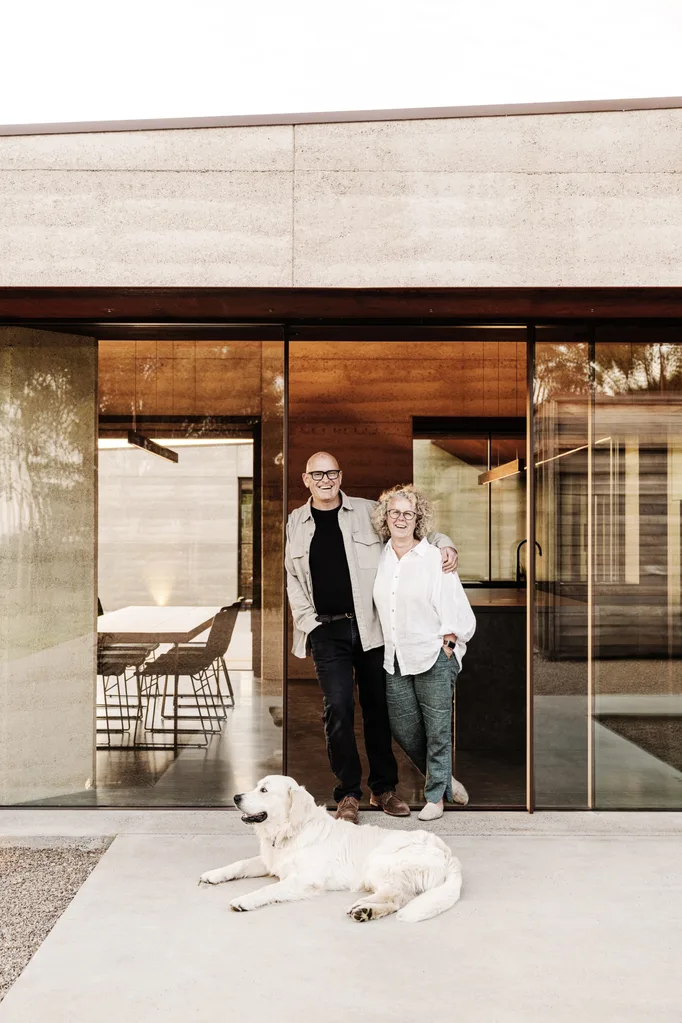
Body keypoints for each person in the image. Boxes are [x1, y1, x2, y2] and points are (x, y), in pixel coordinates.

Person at [285, 451, 458, 825]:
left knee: (379, 710)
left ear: (341, 475)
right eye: (318, 474)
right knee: (339, 710)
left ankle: (384, 789)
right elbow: (293, 580)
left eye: (332, 472)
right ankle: (348, 793)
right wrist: (309, 623)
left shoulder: (367, 511)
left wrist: (444, 541)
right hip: (326, 630)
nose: (325, 479)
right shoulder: (295, 522)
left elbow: (411, 524)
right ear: (306, 479)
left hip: (370, 626)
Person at [372, 484, 476, 821]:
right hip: (395, 658)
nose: (401, 519)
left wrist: (447, 646)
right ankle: (444, 780)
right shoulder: (380, 556)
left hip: (433, 655)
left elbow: (456, 606)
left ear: (418, 519)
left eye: (408, 513)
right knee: (404, 728)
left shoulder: (434, 557)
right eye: (395, 512)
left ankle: (436, 798)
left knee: (438, 729)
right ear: (385, 518)